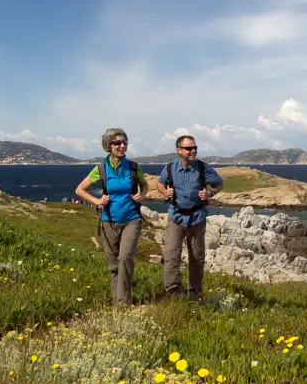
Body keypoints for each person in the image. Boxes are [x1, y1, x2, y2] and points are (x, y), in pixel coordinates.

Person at [75, 128, 147, 305]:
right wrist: (98, 200)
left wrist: (142, 195)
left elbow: (144, 186)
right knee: (113, 264)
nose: (122, 146)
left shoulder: (133, 167)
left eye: (125, 143)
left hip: (132, 218)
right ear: (108, 145)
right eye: (117, 143)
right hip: (109, 221)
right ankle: (118, 302)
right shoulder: (101, 168)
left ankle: (123, 303)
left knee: (125, 258)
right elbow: (80, 190)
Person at [156, 135, 223, 301]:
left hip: (197, 218)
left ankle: (194, 293)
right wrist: (165, 192)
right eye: (189, 148)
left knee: (197, 257)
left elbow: (219, 183)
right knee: (172, 255)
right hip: (176, 217)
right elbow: (159, 183)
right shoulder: (170, 168)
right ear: (179, 150)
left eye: (195, 148)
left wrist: (210, 193)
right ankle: (173, 292)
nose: (193, 151)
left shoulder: (203, 168)